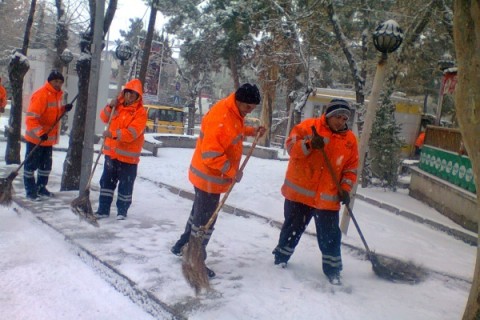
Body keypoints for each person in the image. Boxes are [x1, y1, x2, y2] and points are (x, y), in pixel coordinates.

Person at [170, 83, 266, 277]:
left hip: (206, 176)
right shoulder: (222, 116)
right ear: (239, 101)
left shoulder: (232, 112)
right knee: (204, 223)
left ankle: (181, 245)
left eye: (253, 108)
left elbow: (231, 133)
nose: (250, 111)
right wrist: (232, 172)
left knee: (198, 215)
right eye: (248, 107)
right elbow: (211, 154)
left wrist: (251, 131)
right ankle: (194, 260)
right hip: (209, 177)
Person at [272, 98, 359, 285]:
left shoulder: (350, 140)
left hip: (328, 197)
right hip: (300, 194)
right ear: (328, 115)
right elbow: (290, 148)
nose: (341, 121)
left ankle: (333, 270)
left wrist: (345, 189)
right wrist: (309, 143)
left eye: (345, 118)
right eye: (337, 117)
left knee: (330, 236)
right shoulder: (308, 126)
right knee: (292, 229)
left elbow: (350, 169)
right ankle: (280, 258)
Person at [95, 79, 147, 221]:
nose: (129, 96)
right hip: (111, 155)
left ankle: (122, 212)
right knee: (106, 183)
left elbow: (132, 133)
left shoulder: (140, 113)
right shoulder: (117, 107)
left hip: (128, 159)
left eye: (133, 94)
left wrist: (113, 134)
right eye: (128, 92)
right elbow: (104, 118)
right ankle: (103, 209)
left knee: (125, 186)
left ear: (138, 96)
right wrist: (110, 106)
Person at [23, 70, 73, 201]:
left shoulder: (56, 95)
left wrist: (64, 109)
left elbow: (52, 113)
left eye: (60, 82)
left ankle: (41, 187)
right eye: (55, 81)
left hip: (47, 140)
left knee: (45, 167)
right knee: (30, 166)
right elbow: (31, 118)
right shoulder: (41, 95)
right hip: (36, 139)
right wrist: (40, 133)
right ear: (50, 81)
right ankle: (30, 190)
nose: (58, 84)